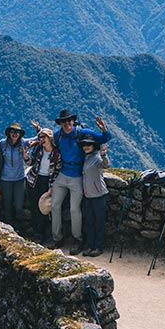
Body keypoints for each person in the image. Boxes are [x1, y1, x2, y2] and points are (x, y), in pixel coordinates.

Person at [32, 108, 111, 255]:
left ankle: (77, 239)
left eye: (69, 121)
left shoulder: (80, 133)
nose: (67, 123)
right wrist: (36, 135)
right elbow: (46, 140)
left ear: (73, 121)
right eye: (64, 121)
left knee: (74, 209)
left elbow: (104, 138)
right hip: (62, 174)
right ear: (60, 123)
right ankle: (57, 237)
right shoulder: (58, 135)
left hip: (77, 176)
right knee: (54, 205)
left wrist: (104, 129)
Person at [25, 126, 62, 245]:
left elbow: (57, 170)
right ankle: (37, 233)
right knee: (35, 206)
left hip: (47, 181)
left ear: (49, 137)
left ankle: (42, 233)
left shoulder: (56, 153)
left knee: (44, 208)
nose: (41, 139)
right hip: (34, 180)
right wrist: (26, 157)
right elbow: (31, 162)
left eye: (43, 137)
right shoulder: (38, 148)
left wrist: (51, 186)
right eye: (40, 137)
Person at [81, 140, 110, 256]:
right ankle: (90, 245)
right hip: (88, 195)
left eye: (89, 145)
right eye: (84, 145)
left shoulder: (97, 158)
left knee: (99, 222)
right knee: (89, 222)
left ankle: (98, 246)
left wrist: (104, 155)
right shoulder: (85, 157)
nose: (86, 147)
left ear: (94, 147)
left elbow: (106, 165)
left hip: (98, 195)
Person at [0, 122, 30, 229]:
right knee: (7, 204)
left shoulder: (24, 143)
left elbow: (38, 139)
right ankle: (8, 227)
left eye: (17, 132)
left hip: (19, 179)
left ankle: (19, 227)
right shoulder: (2, 143)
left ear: (20, 134)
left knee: (18, 205)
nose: (15, 134)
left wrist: (38, 129)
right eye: (12, 132)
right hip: (5, 179)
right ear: (9, 133)